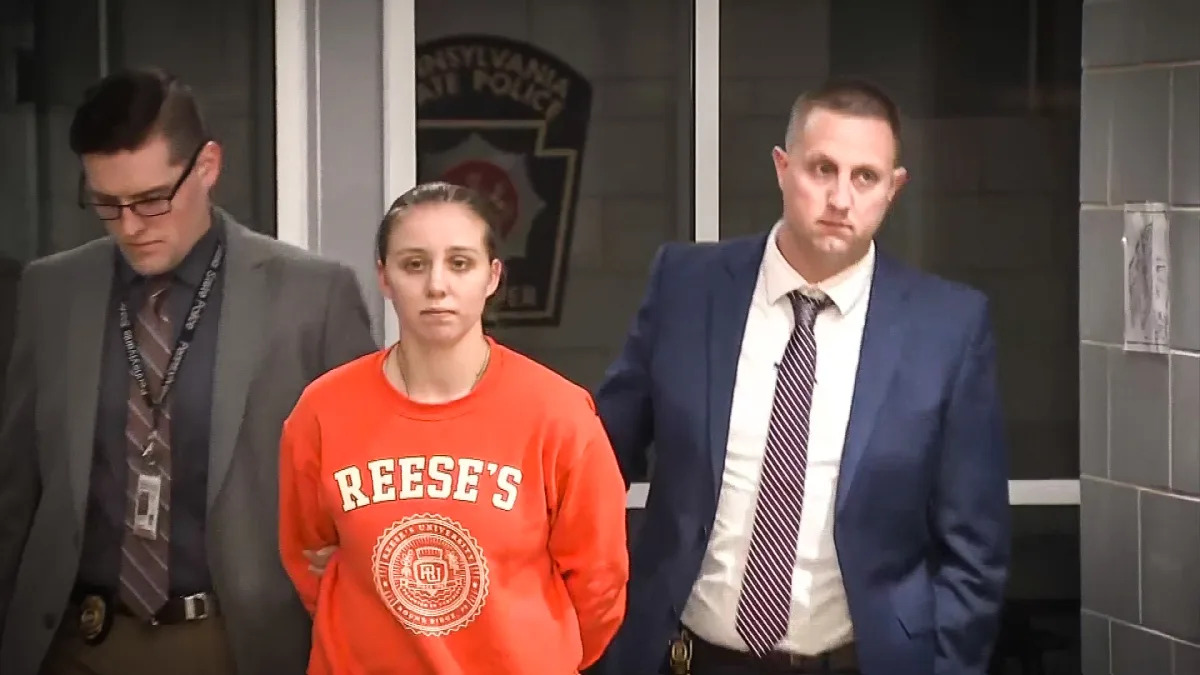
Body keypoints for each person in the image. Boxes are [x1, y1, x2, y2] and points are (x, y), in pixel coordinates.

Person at [590, 79, 1010, 675]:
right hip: (685, 657)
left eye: (865, 177)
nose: (840, 198)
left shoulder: (948, 327)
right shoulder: (687, 286)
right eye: (822, 169)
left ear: (893, 189)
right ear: (783, 168)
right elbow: (598, 462)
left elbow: (975, 546)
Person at [0, 68, 377, 675]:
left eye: (152, 200)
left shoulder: (314, 295)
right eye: (107, 204)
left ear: (207, 166)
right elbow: (15, 491)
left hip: (240, 644)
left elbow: (367, 493)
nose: (130, 226)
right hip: (74, 641)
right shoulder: (51, 291)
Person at [278, 181, 630, 675]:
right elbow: (308, 558)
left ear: (492, 276)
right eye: (414, 264)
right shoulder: (323, 410)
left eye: (460, 263)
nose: (437, 285)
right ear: (384, 277)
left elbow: (599, 585)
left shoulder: (558, 414)